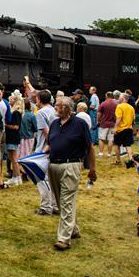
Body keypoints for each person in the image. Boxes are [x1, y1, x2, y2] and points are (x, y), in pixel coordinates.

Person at [46, 97, 97, 251]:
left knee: (67, 200)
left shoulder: (79, 124)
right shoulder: (54, 124)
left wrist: (92, 170)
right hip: (53, 165)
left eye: (58, 106)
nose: (55, 108)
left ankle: (63, 239)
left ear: (67, 108)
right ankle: (72, 229)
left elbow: (90, 148)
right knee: (60, 200)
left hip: (71, 164)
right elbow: (50, 145)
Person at [4, 94, 24, 187]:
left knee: (14, 159)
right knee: (12, 158)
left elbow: (16, 127)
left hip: (12, 137)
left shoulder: (15, 112)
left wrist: (5, 125)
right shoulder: (15, 112)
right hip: (12, 137)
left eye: (11, 99)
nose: (9, 101)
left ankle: (16, 177)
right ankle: (17, 177)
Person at [113, 93, 136, 164]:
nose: (118, 98)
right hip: (129, 128)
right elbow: (133, 120)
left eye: (119, 97)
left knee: (117, 145)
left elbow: (118, 118)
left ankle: (118, 160)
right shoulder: (131, 107)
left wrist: (115, 128)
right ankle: (131, 159)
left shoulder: (119, 106)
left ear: (123, 99)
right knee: (128, 145)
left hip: (120, 129)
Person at [96, 91, 116, 157]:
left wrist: (98, 121)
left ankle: (101, 153)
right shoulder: (115, 104)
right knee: (111, 139)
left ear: (106, 96)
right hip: (113, 124)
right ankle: (109, 154)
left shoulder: (103, 103)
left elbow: (99, 113)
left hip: (104, 123)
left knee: (102, 139)